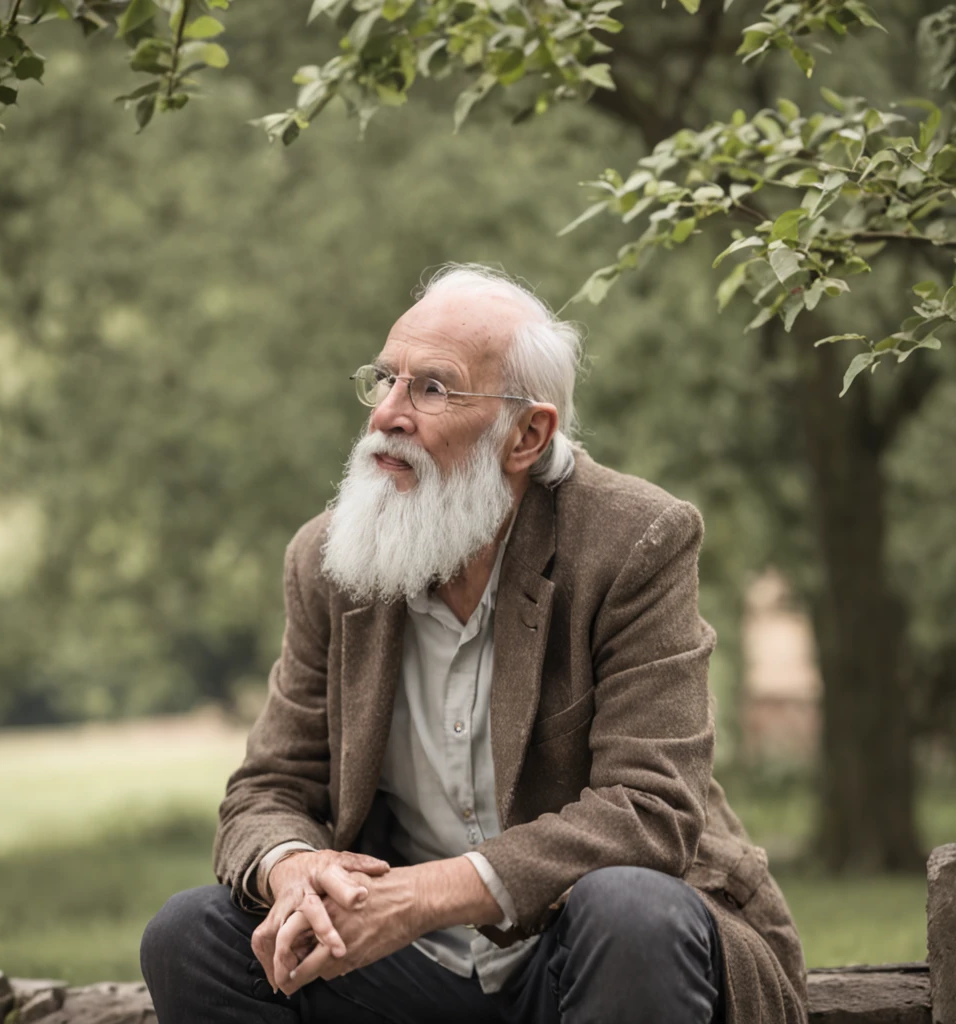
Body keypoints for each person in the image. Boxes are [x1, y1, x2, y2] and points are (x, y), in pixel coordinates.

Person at [140, 264, 807, 1024]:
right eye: (384, 380)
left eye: (431, 388)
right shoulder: (330, 563)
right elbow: (270, 788)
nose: (387, 415)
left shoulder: (634, 541)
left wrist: (424, 895)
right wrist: (294, 867)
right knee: (191, 934)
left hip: (584, 952)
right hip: (409, 972)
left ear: (527, 434)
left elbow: (650, 811)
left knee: (630, 909)